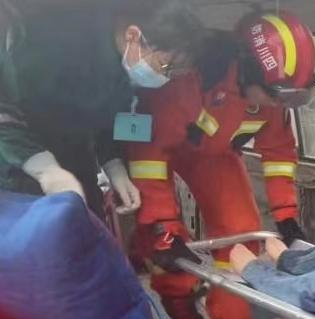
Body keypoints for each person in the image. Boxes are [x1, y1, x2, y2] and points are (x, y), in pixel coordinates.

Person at [126, 11, 315, 319]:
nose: (283, 105)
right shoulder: (187, 82)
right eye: (279, 95)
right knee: (169, 246)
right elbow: (148, 156)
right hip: (156, 148)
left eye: (295, 97)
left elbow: (279, 154)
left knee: (243, 236)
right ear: (245, 70)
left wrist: (286, 216)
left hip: (213, 156)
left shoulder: (273, 95)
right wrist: (161, 225)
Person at [0, 0, 204, 217]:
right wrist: (44, 168)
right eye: (166, 66)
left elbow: (105, 119)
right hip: (16, 164)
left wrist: (114, 166)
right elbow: (5, 108)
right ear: (133, 36)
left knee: (86, 228)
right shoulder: (53, 42)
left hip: (74, 162)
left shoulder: (121, 70)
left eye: (175, 73)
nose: (166, 77)